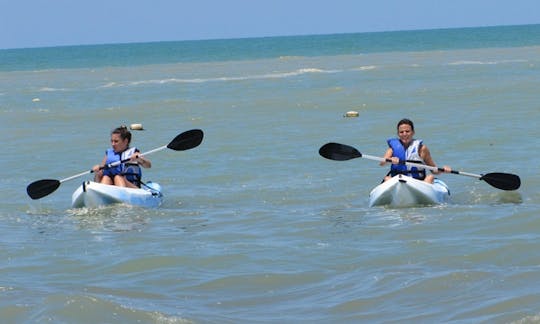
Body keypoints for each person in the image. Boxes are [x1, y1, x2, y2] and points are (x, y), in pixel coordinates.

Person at [379, 118, 451, 183]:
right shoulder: (392, 149)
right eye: (401, 132)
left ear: (413, 132)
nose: (404, 134)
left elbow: (433, 170)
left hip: (418, 182)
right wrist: (390, 159)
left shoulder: (422, 149)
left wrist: (443, 170)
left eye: (407, 131)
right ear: (398, 134)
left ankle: (423, 195)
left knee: (430, 177)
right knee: (387, 179)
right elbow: (382, 163)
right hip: (398, 181)